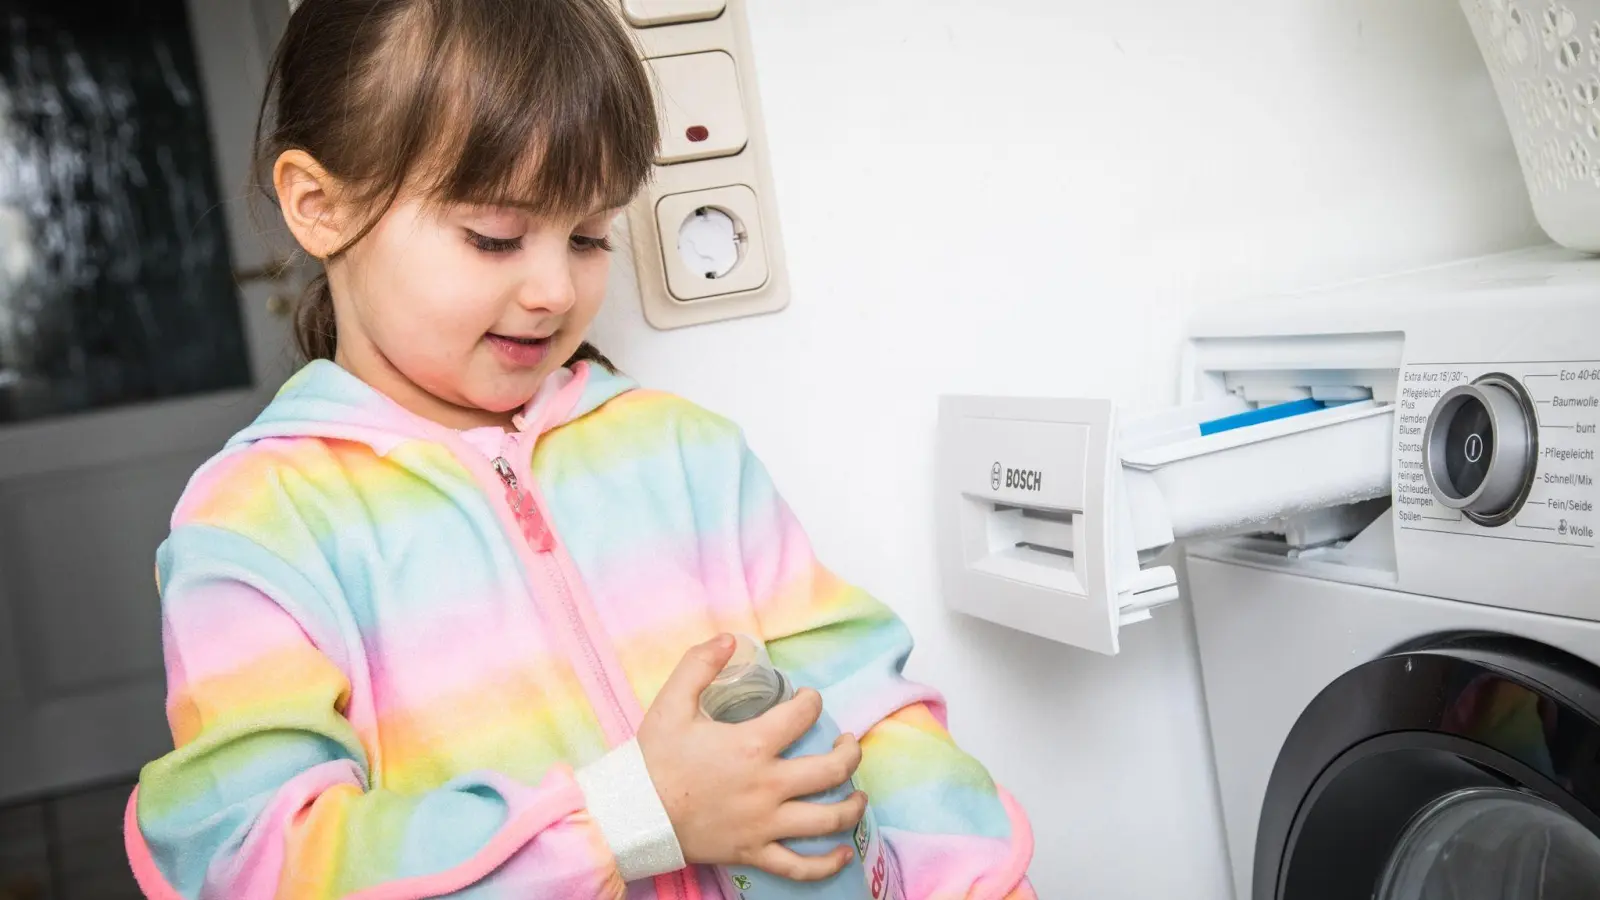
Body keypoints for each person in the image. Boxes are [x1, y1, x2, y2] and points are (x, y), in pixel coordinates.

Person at [123, 1, 1034, 897]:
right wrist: (637, 813)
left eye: (590, 234)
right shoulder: (257, 522)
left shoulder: (683, 452)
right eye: (494, 237)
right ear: (320, 207)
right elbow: (258, 861)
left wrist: (978, 880)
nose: (557, 288)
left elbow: (867, 704)